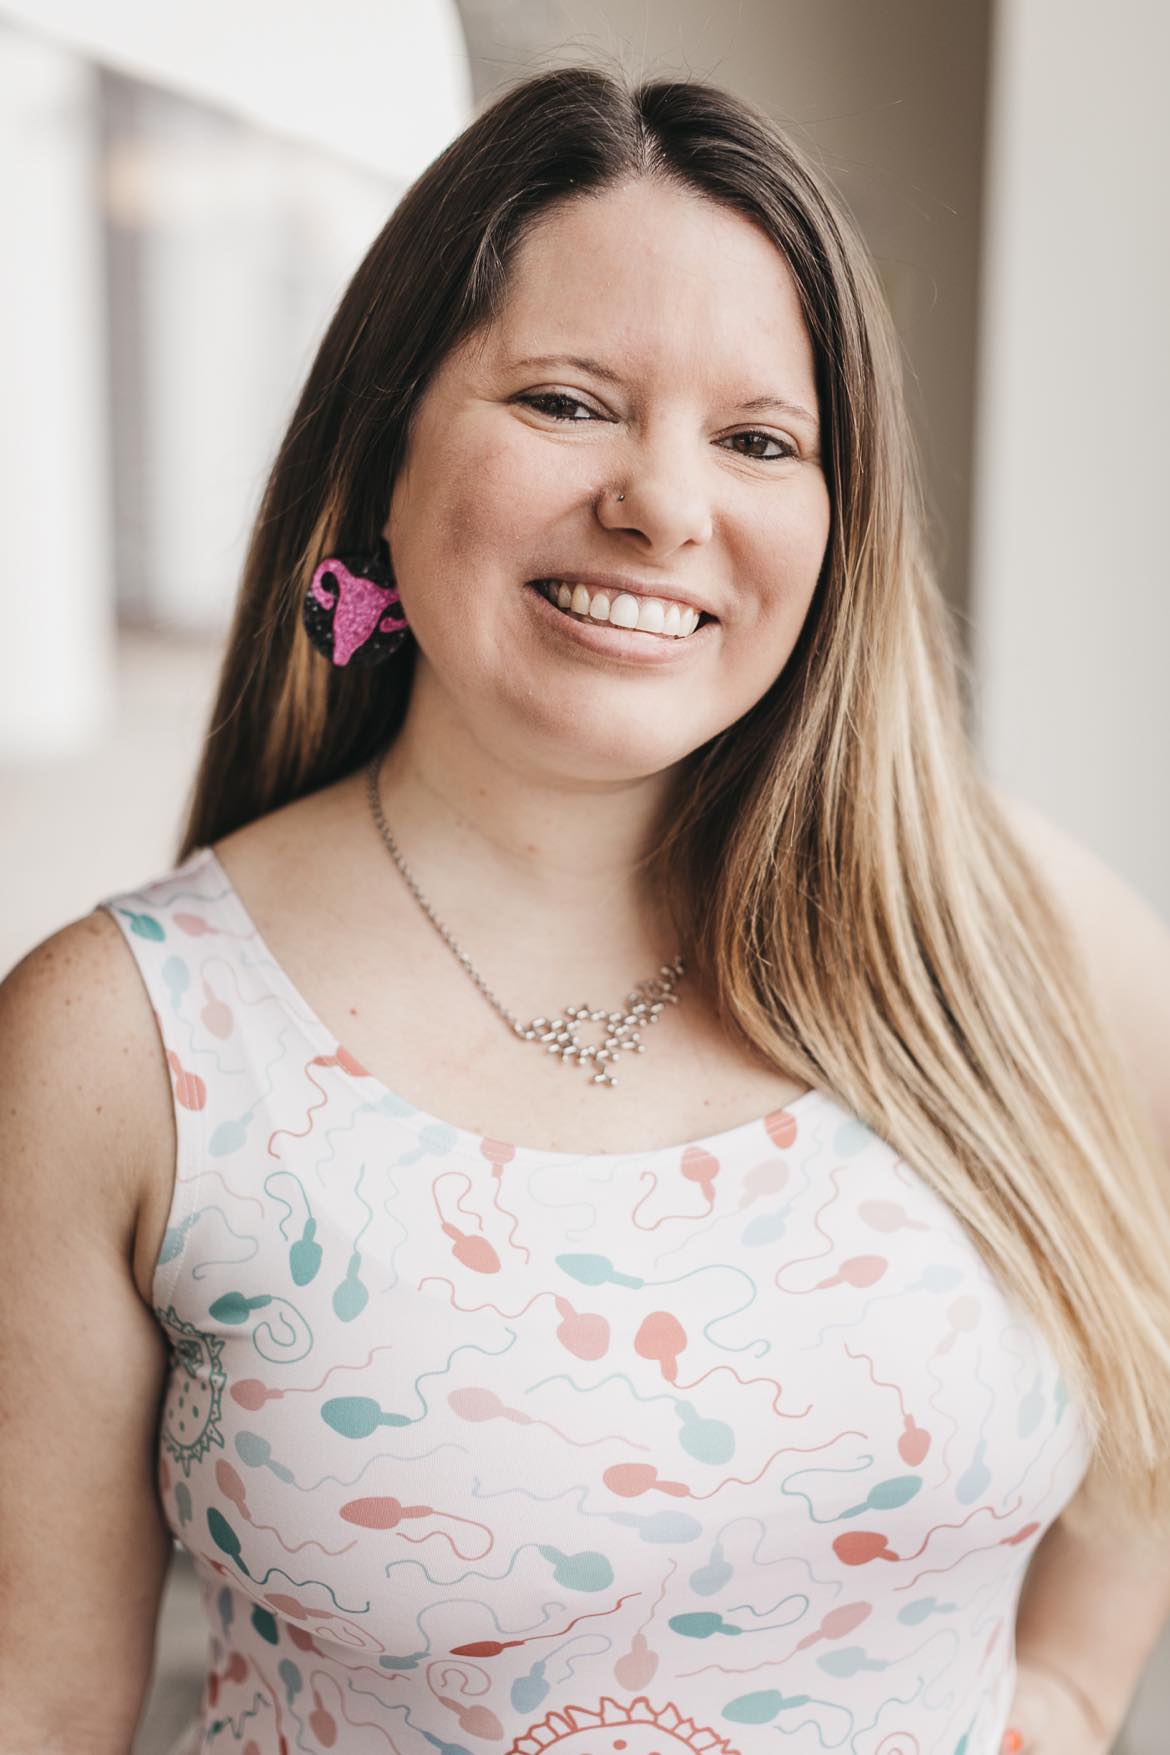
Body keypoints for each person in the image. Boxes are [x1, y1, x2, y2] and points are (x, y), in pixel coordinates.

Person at [2, 63, 1169, 1755]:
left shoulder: (1006, 924)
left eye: (759, 439)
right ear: (382, 449)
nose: (666, 506)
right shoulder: (122, 1044)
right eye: (565, 401)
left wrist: (1062, 1691)